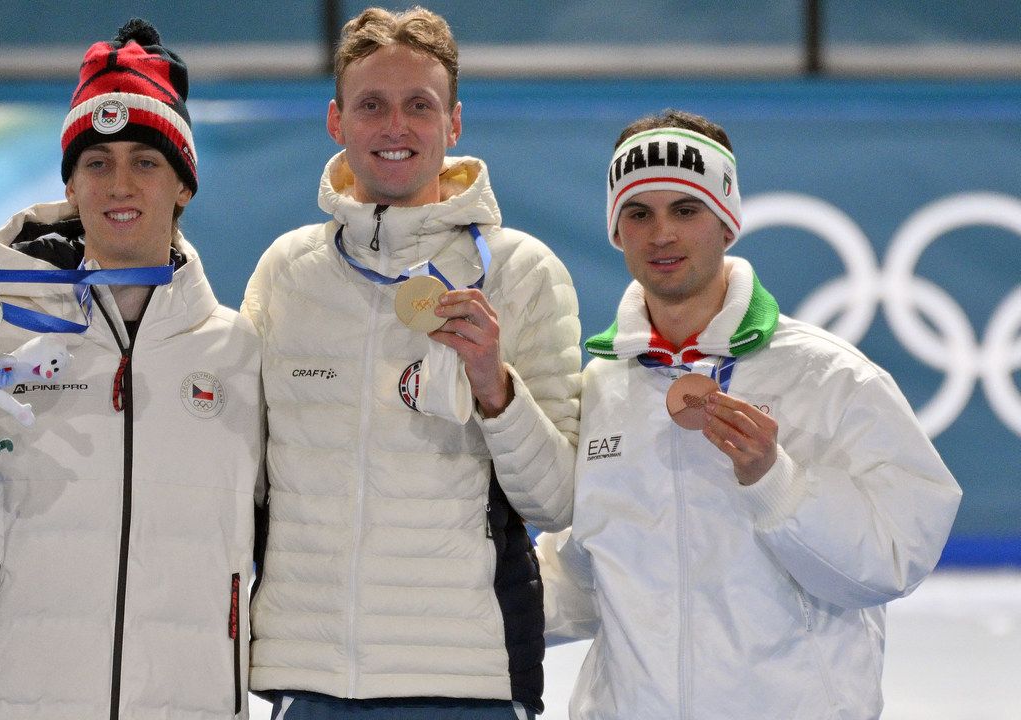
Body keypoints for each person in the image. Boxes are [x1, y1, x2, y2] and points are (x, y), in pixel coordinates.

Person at [0, 19, 263, 719]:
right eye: (97, 162)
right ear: (70, 183)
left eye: (146, 161)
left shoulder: (242, 356)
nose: (119, 183)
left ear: (184, 185)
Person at [536, 109, 963, 719]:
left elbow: (895, 560)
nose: (662, 234)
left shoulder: (831, 379)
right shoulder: (601, 389)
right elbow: (587, 574)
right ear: (616, 231)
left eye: (685, 210)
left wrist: (776, 482)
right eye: (639, 213)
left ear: (727, 221)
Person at [240, 7, 581, 719]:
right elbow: (240, 474)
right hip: (312, 677)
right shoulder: (288, 271)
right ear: (336, 121)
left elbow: (557, 501)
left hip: (466, 680)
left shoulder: (522, 272)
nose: (395, 127)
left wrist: (496, 388)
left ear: (454, 123)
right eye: (372, 105)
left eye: (419, 106)